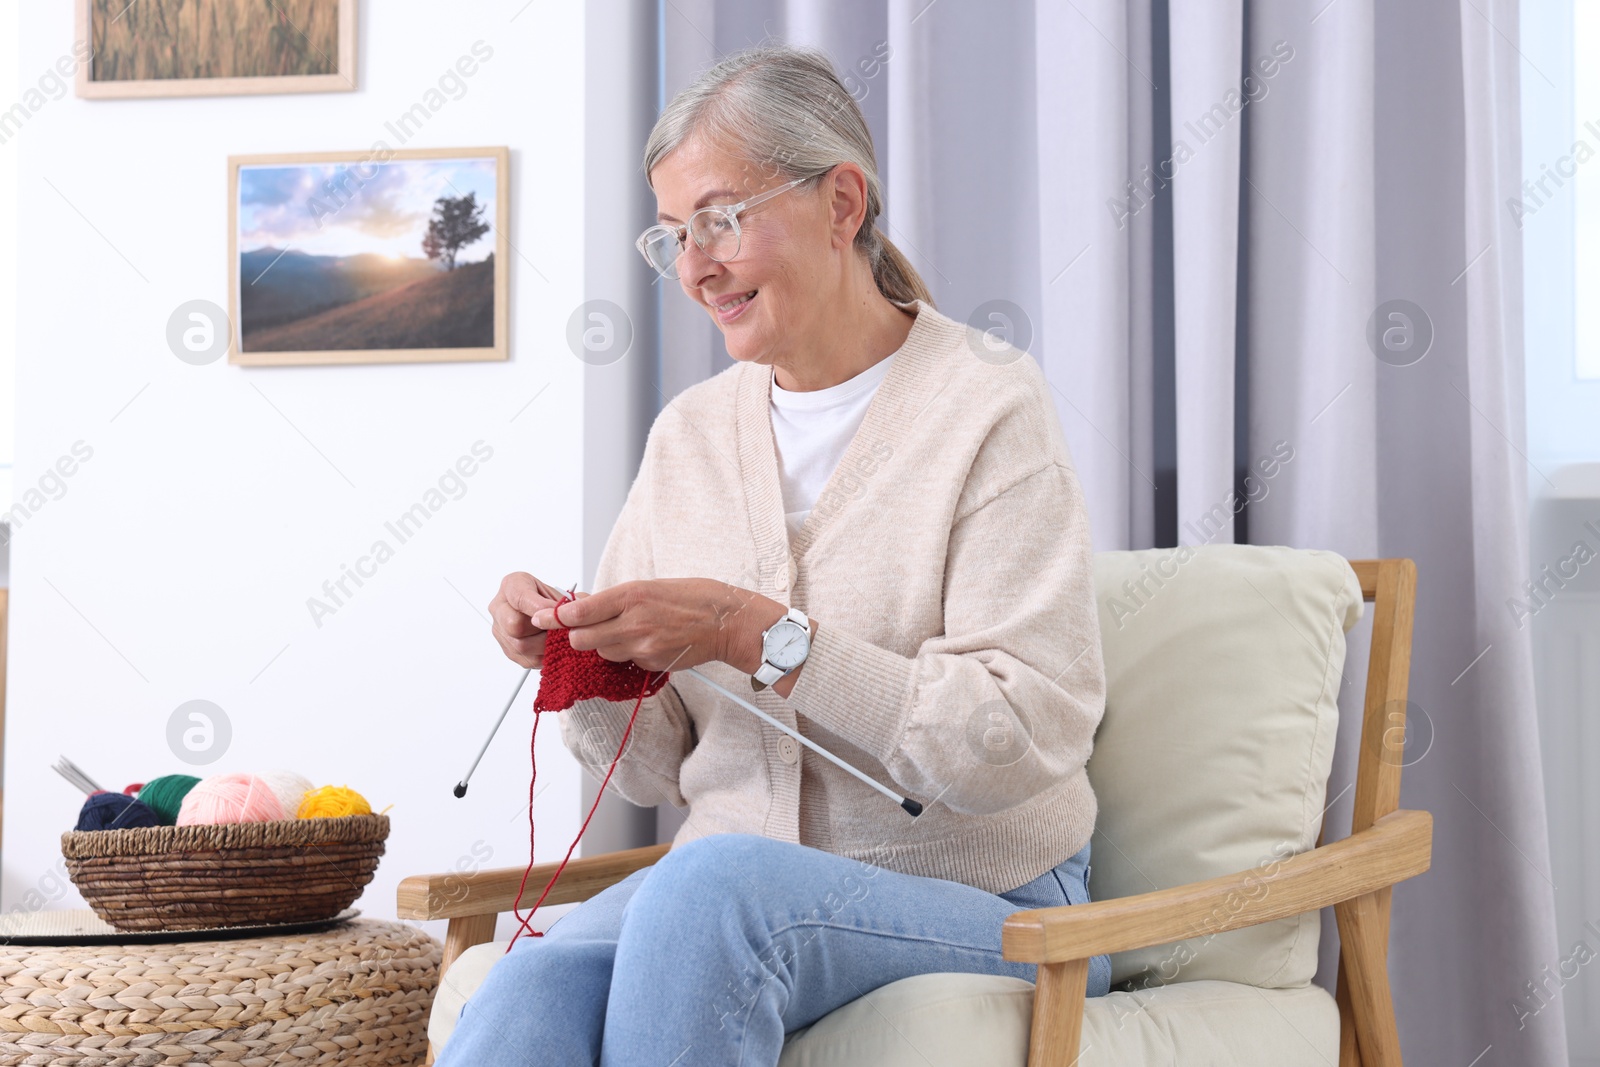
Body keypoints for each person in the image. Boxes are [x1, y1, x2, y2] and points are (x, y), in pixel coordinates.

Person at [439, 40, 1111, 1067]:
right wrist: (579, 658)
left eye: (719, 218)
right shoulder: (691, 435)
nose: (696, 265)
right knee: (530, 978)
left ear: (842, 202)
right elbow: (655, 761)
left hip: (994, 898)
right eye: (672, 237)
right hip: (722, 888)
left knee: (712, 889)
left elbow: (1011, 738)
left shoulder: (987, 406)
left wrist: (755, 633)